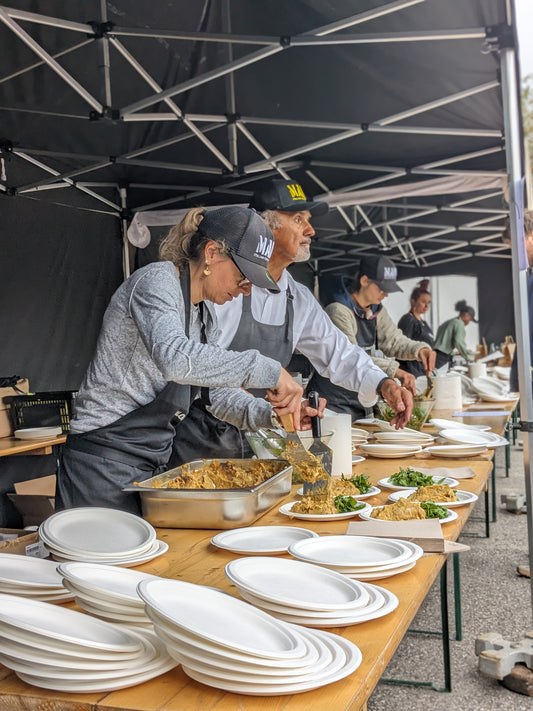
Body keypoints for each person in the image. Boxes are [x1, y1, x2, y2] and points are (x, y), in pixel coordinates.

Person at [56, 206, 317, 515]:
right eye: (243, 277)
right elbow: (175, 358)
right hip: (100, 467)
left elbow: (215, 394)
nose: (246, 291)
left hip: (148, 466)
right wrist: (267, 370)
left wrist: (271, 415)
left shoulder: (205, 316)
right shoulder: (156, 282)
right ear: (211, 253)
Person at [168, 180, 413, 467]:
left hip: (262, 439)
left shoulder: (297, 297)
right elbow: (202, 368)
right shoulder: (221, 285)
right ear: (266, 227)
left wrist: (384, 384)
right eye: (299, 220)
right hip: (202, 443)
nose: (311, 231)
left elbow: (339, 352)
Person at [307, 255, 436, 419]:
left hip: (358, 399)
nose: (385, 294)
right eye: (381, 288)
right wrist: (395, 370)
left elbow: (393, 340)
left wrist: (419, 350)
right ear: (364, 280)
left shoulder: (376, 310)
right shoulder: (338, 310)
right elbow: (349, 357)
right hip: (331, 403)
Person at [397, 279, 441, 376]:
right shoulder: (408, 320)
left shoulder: (423, 322)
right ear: (413, 301)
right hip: (412, 373)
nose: (426, 306)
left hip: (423, 371)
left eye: (429, 302)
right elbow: (402, 347)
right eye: (423, 301)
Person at [433, 299, 477, 368]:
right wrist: (468, 358)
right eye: (470, 319)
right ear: (466, 315)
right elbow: (458, 342)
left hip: (435, 355)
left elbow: (442, 343)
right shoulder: (459, 323)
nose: (468, 322)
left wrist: (454, 352)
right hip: (443, 358)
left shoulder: (447, 323)